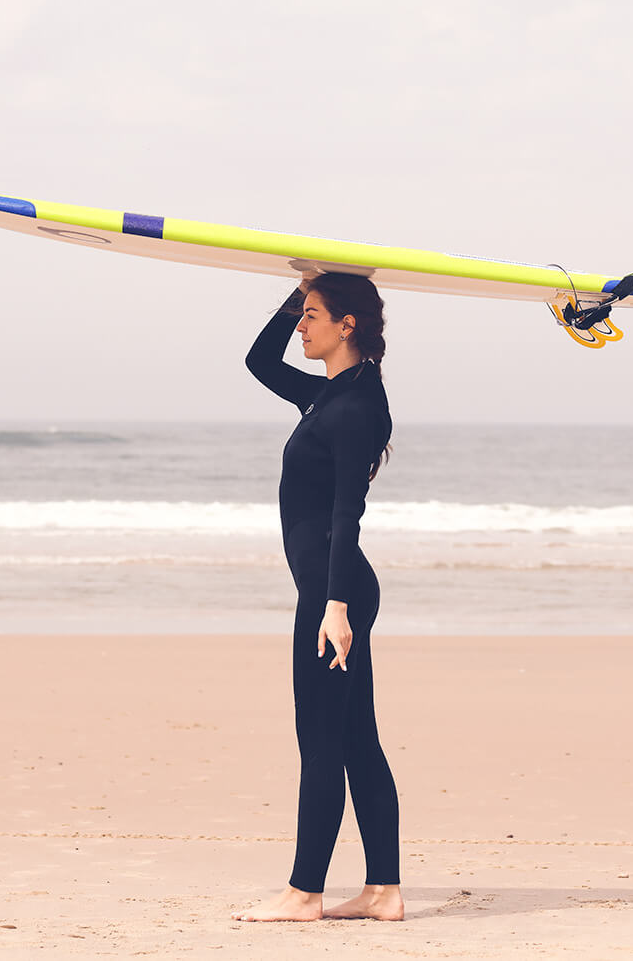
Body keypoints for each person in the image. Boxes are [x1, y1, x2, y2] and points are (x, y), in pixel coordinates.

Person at [233, 272, 403, 923]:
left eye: (311, 315)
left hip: (336, 593)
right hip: (338, 588)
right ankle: (383, 890)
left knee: (321, 739)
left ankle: (305, 892)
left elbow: (346, 510)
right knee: (356, 737)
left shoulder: (356, 407)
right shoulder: (331, 395)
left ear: (346, 324)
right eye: (300, 316)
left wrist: (334, 608)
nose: (302, 326)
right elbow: (256, 361)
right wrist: (296, 291)